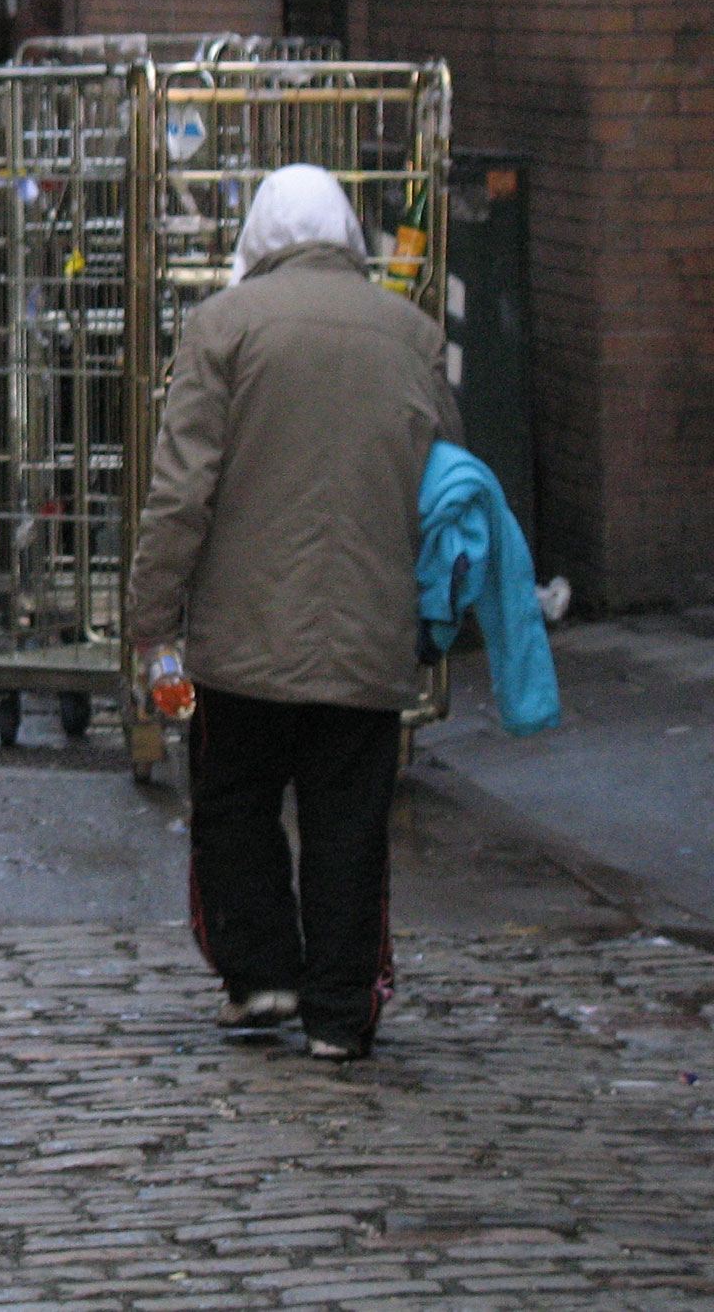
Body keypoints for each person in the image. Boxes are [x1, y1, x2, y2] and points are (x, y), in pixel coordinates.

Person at [126, 163, 460, 1061]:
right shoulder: (412, 335)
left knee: (235, 804)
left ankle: (260, 973)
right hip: (367, 634)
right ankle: (341, 1013)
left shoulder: (223, 328)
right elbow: (448, 490)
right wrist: (438, 619)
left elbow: (181, 492)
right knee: (350, 823)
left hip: (244, 640)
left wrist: (151, 618)